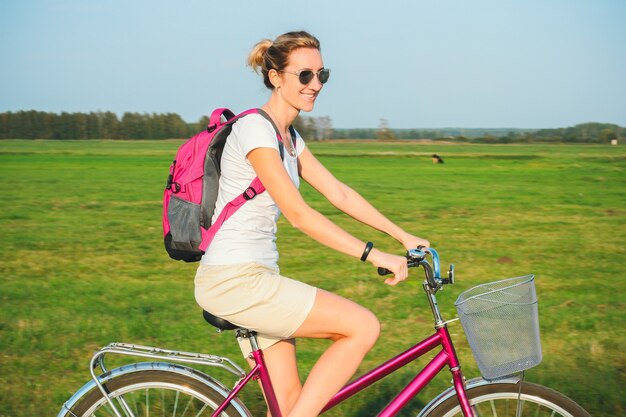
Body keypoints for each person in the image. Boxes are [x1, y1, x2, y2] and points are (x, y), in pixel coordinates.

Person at [194, 30, 430, 417]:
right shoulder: (255, 130)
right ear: (276, 77)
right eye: (305, 75)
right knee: (362, 327)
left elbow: (338, 193)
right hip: (235, 281)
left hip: (257, 277)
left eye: (322, 75)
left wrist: (401, 235)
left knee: (290, 408)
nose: (316, 85)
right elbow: (300, 213)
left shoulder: (288, 137)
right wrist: (372, 254)